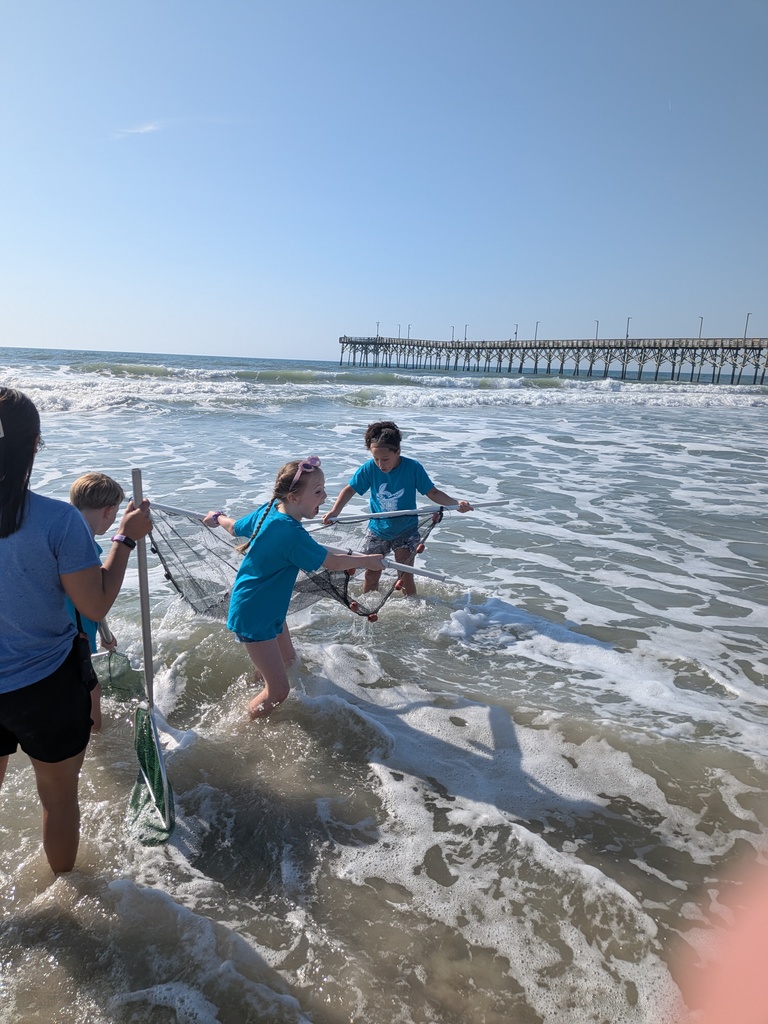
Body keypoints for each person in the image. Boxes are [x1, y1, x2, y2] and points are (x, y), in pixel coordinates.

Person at [0, 387, 152, 875]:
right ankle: (66, 899)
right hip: (44, 682)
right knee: (58, 800)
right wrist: (126, 539)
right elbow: (95, 601)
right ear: (35, 445)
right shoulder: (57, 520)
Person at [203, 455, 387, 719]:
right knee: (279, 691)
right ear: (293, 497)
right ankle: (242, 727)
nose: (325, 497)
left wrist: (216, 516)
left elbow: (233, 527)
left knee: (288, 660)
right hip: (255, 614)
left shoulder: (268, 512)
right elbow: (332, 561)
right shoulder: (290, 533)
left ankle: (253, 686)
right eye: (318, 491)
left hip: (268, 608)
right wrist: (368, 560)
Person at [322, 420, 473, 596]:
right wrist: (334, 512)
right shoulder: (369, 469)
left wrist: (456, 504)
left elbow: (432, 492)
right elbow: (350, 490)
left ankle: (414, 608)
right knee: (371, 575)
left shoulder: (413, 468)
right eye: (376, 458)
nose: (380, 464)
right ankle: (368, 609)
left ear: (398, 452)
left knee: (405, 576)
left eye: (385, 459)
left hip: (406, 531)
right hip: (378, 531)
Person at [65, 472, 127, 732]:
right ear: (109, 511)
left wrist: (105, 634)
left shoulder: (64, 537)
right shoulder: (85, 546)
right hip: (73, 643)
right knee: (91, 697)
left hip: (60, 639)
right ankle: (98, 758)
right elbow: (95, 596)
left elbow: (88, 594)